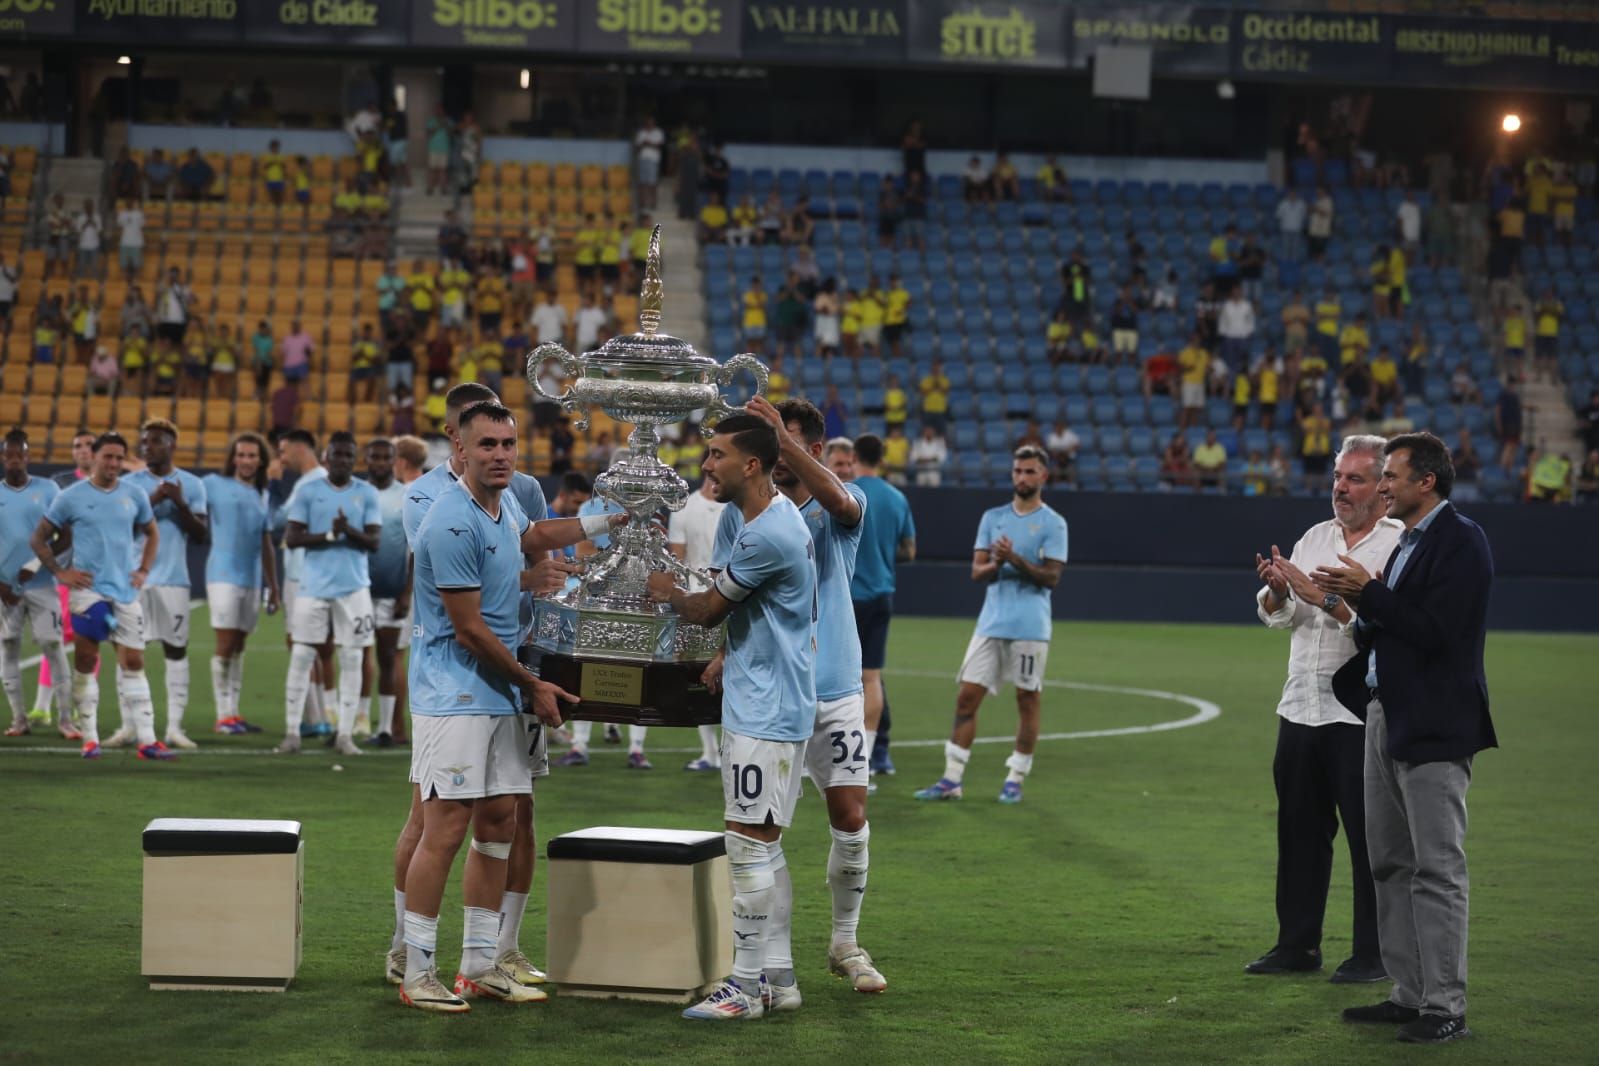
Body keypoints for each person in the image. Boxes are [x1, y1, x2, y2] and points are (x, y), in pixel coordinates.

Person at [387, 383, 587, 992]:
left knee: (500, 819)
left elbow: (534, 542)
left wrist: (614, 518)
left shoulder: (503, 510)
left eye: (509, 444)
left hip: (496, 693)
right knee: (444, 826)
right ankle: (416, 968)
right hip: (455, 693)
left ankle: (479, 963)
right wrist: (533, 684)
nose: (501, 455)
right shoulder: (447, 519)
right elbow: (469, 630)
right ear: (460, 449)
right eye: (487, 445)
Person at [1315, 432, 1496, 1045]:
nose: (1383, 485)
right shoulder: (1411, 545)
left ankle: (1446, 1007)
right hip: (1386, 715)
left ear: (1428, 482)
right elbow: (1385, 629)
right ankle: (1409, 993)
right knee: (1389, 861)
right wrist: (1343, 604)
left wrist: (1371, 595)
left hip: (1435, 725)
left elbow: (1439, 633)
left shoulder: (1462, 542)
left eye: (1391, 475)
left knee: (1437, 868)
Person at [645, 414, 818, 1021]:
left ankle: (743, 989)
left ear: (751, 464)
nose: (706, 464)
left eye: (716, 454)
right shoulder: (778, 517)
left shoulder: (764, 534)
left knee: (745, 845)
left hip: (765, 707)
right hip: (778, 699)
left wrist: (666, 591)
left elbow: (708, 609)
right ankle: (779, 978)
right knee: (765, 847)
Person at [718, 400, 885, 995]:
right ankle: (777, 969)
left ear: (813, 450)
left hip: (834, 688)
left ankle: (845, 940)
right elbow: (726, 595)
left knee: (851, 817)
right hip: (772, 695)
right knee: (764, 833)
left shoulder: (842, 506)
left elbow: (841, 502)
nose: (774, 459)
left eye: (786, 447)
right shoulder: (740, 513)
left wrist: (779, 443)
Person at [1247, 436, 1402, 984]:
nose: (1341, 487)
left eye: (1355, 478)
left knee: (1370, 840)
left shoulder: (1398, 544)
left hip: (1359, 713)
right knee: (1299, 832)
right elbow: (1282, 617)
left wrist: (1329, 603)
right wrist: (1276, 592)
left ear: (1385, 487)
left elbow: (1395, 633)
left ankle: (1374, 954)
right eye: (1338, 476)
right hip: (1300, 704)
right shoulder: (1314, 537)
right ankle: (1297, 945)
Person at [915, 446, 1066, 804]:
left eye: (1030, 472)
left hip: (1030, 626)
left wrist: (1015, 558)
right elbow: (977, 572)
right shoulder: (993, 517)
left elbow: (1052, 577)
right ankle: (952, 779)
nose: (1022, 478)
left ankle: (1015, 777)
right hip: (991, 623)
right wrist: (998, 563)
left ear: (1043, 476)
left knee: (1027, 700)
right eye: (1017, 471)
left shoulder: (1053, 523)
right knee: (966, 697)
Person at [31, 432, 168, 761]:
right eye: (108, 456)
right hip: (87, 593)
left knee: (134, 662)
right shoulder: (72, 497)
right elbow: (38, 538)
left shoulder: (134, 494)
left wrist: (144, 570)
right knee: (87, 662)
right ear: (93, 457)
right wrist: (60, 572)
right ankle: (90, 740)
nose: (114, 463)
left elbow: (152, 532)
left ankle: (147, 741)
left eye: (120, 458)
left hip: (125, 592)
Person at [279, 432, 381, 757]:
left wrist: (347, 530)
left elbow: (374, 542)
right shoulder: (309, 492)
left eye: (349, 456)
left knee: (352, 658)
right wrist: (329, 534)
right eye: (337, 455)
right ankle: (292, 733)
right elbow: (292, 538)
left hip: (354, 588)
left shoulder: (366, 493)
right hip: (313, 587)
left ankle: (345, 735)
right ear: (326, 458)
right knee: (301, 656)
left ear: (355, 459)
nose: (342, 461)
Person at [121, 420, 209, 750]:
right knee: (128, 652)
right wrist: (157, 498)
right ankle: (129, 727)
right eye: (143, 441)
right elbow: (122, 527)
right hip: (134, 579)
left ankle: (174, 728)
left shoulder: (193, 484)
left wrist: (181, 503)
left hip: (174, 579)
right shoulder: (129, 484)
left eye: (154, 441)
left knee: (176, 650)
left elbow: (201, 535)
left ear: (171, 445)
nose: (146, 447)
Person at [848, 433, 915, 778]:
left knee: (836, 677)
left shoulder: (846, 492)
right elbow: (909, 550)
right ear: (882, 459)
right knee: (871, 678)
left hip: (848, 599)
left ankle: (831, 755)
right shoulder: (896, 498)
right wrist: (884, 555)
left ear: (855, 456)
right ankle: (867, 757)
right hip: (881, 596)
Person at [0, 431, 75, 738]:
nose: (15, 460)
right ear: (3, 458)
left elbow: (64, 537)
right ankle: (19, 719)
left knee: (54, 647)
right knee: (8, 650)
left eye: (21, 455)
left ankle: (66, 719)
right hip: (5, 590)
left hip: (42, 586)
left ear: (29, 457)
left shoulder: (49, 489)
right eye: (9, 455)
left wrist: (35, 564)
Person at [202, 432, 278, 736]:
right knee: (225, 645)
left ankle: (233, 714)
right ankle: (222, 716)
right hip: (222, 576)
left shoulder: (263, 493)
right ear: (233, 458)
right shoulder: (213, 484)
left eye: (252, 455)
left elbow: (266, 540)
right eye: (242, 454)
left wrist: (273, 585)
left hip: (251, 579)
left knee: (239, 647)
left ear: (261, 460)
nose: (247, 461)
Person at [669, 473, 728, 772]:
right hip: (702, 601)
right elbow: (677, 560)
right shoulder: (685, 507)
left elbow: (677, 560)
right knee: (699, 673)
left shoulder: (734, 508)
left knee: (717, 670)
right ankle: (710, 752)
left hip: (720, 598)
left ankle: (718, 750)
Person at [365, 438, 412, 747]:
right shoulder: (358, 493)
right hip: (358, 590)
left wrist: (407, 593)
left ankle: (393, 727)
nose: (380, 462)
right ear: (366, 460)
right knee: (355, 656)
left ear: (395, 461)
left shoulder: (407, 497)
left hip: (393, 591)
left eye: (386, 457)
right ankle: (353, 724)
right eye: (375, 457)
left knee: (390, 657)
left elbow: (416, 549)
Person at [634, 117, 664, 210]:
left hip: (653, 159)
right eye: (648, 123)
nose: (649, 124)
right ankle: (642, 202)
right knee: (642, 182)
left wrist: (648, 143)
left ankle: (653, 203)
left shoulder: (658, 132)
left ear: (654, 124)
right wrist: (648, 144)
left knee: (652, 182)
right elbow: (637, 145)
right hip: (643, 159)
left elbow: (659, 145)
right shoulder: (641, 132)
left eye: (651, 123)